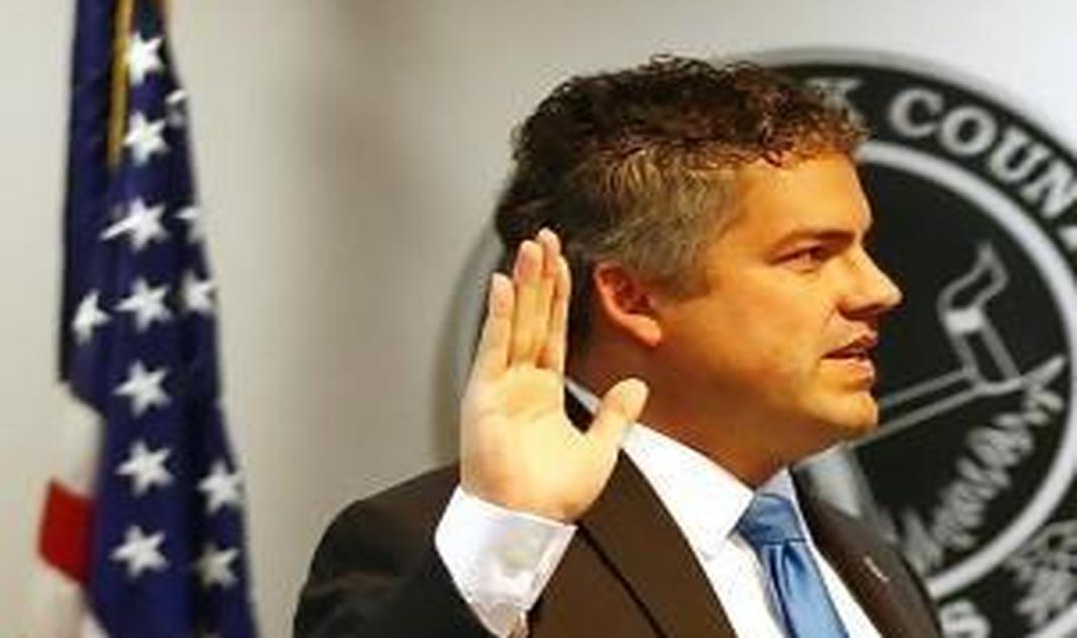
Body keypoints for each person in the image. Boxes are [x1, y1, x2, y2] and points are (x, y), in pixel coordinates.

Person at [294, 56, 943, 638]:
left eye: (861, 248)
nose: (878, 289)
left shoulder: (872, 563)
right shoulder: (446, 548)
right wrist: (506, 535)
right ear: (633, 298)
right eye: (810, 256)